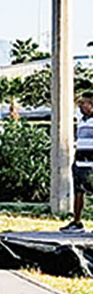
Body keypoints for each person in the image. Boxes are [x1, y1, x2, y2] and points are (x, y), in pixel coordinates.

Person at [61, 91, 93, 231]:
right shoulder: (81, 118)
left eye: (84, 102)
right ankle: (77, 221)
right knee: (78, 191)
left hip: (91, 161)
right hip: (80, 160)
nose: (80, 104)